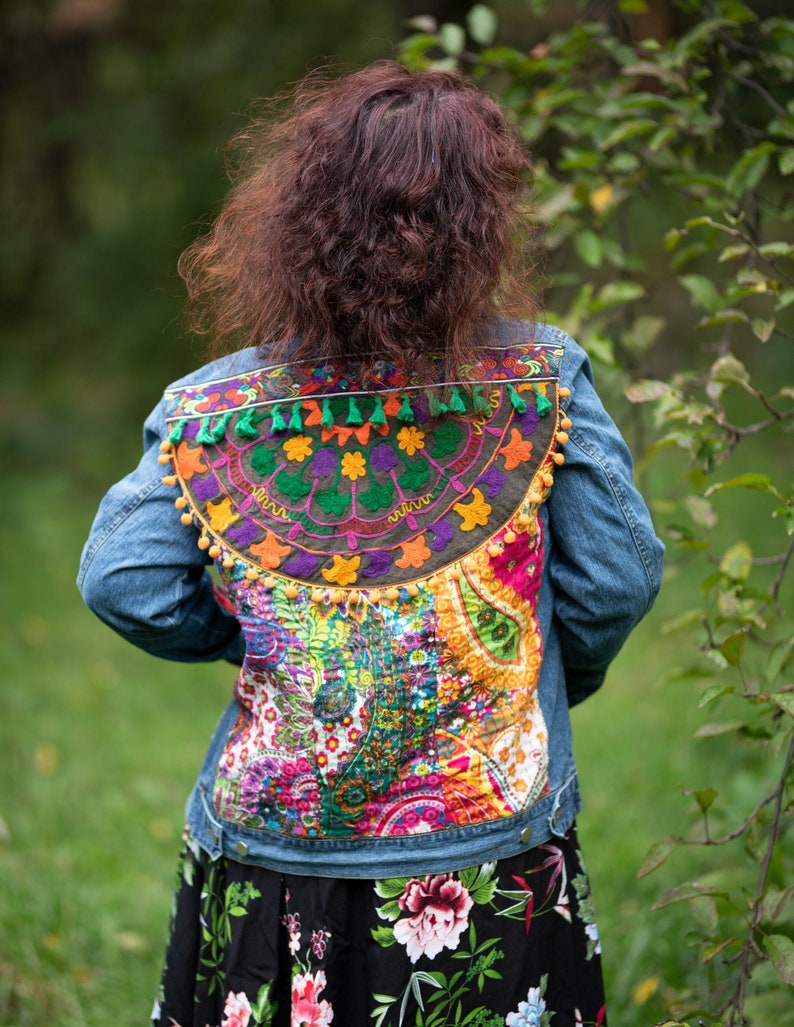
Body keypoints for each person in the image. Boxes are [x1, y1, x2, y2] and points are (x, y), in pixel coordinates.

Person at [79, 61, 663, 1027]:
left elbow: (122, 579)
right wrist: (535, 664)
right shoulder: (542, 379)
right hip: (491, 856)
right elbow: (611, 580)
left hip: (272, 857)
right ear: (481, 228)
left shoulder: (213, 410)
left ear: (304, 216)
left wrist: (275, 631)